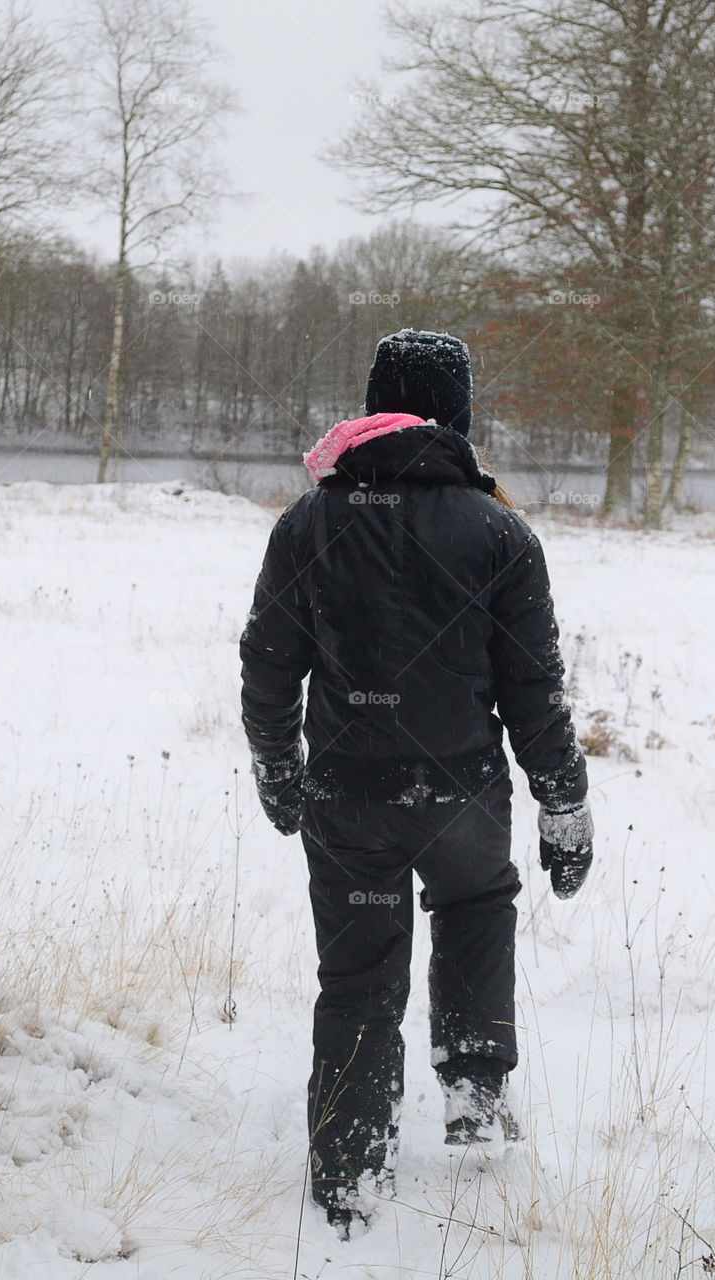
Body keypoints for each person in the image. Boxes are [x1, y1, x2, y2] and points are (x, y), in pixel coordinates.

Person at [238, 328, 593, 1240]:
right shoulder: (498, 530)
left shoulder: (306, 522)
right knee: (475, 906)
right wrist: (562, 799)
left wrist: (279, 769)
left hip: (346, 797)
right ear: (459, 416)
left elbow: (269, 665)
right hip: (462, 795)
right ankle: (473, 1093)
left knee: (357, 974)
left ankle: (348, 1167)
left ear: (369, 408)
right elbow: (532, 687)